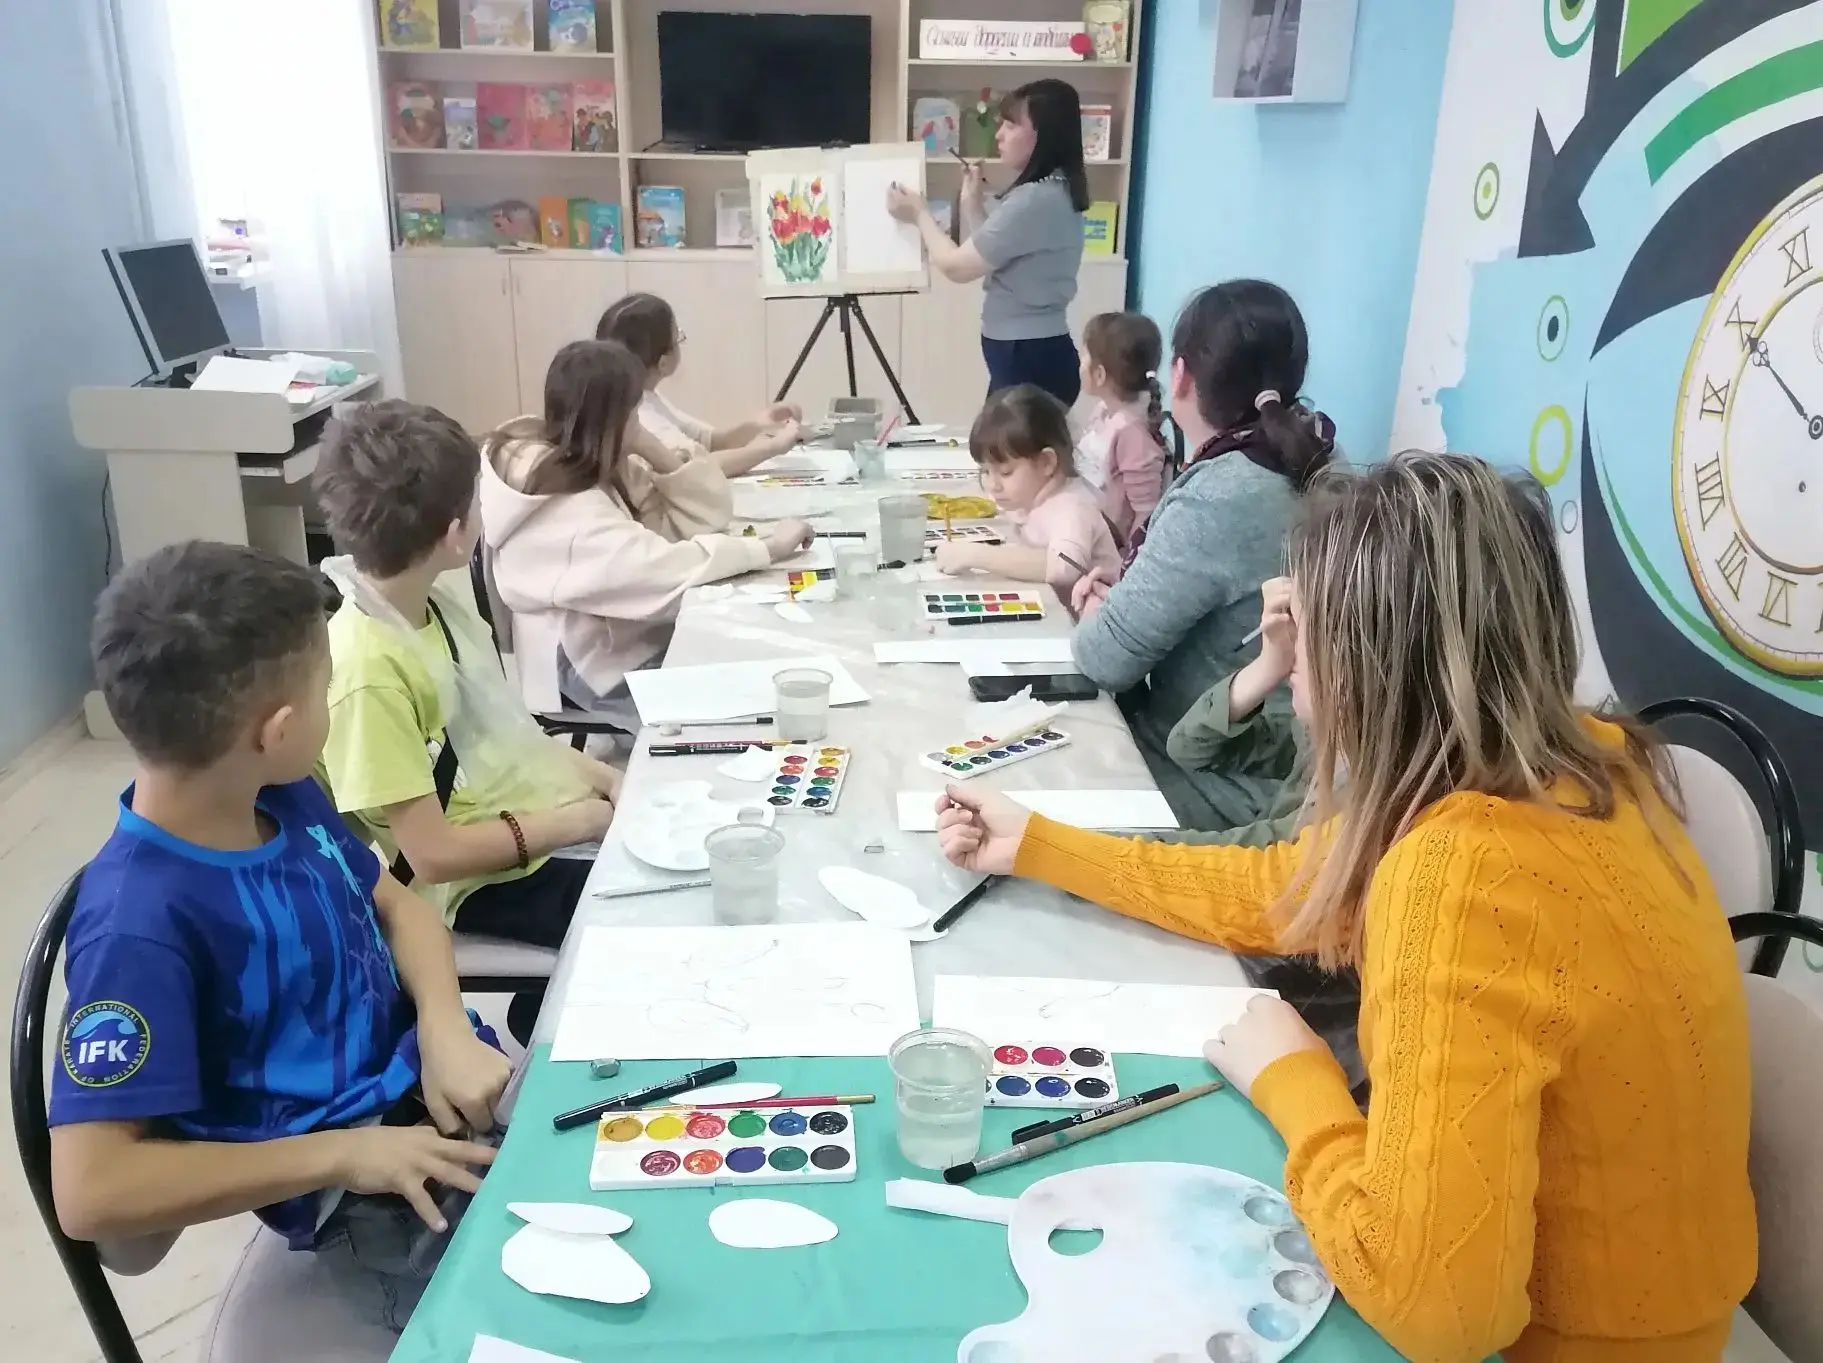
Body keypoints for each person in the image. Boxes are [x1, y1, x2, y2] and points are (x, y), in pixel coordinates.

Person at [938, 454, 1755, 1363]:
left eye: (1305, 631)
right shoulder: (1586, 764)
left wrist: (1296, 1081)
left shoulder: (1461, 871)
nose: (1289, 665)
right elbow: (1276, 889)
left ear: (1368, 664)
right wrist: (1039, 844)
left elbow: (1441, 1311)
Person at [51, 541, 506, 1334]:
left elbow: (401, 909)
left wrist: (442, 1027)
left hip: (438, 1099)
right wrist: (346, 1154)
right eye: (327, 688)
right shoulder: (136, 927)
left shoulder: (279, 793)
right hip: (372, 1192)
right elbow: (92, 1193)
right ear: (280, 728)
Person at [314, 399, 623, 1043]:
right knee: (651, 916)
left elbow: (510, 735)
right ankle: (560, 1031)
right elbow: (432, 856)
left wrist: (613, 780)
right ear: (456, 534)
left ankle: (551, 1010)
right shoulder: (369, 669)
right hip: (472, 885)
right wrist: (583, 820)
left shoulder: (433, 607)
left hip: (517, 830)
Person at [1071, 279, 1334, 829]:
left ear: (1181, 375)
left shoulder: (1224, 493)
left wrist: (1102, 613)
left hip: (1222, 773)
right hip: (1270, 758)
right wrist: (1129, 598)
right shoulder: (1320, 461)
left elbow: (1103, 660)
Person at [480, 338, 812, 724]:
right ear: (613, 418)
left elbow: (702, 519)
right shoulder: (567, 505)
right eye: (635, 412)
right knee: (744, 703)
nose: (641, 422)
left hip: (617, 633)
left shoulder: (590, 459)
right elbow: (659, 569)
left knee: (749, 654)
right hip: (585, 661)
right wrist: (768, 549)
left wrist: (651, 448)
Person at [886, 80, 1089, 404]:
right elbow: (994, 255)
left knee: (1003, 438)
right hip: (1034, 352)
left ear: (1043, 133)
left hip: (1027, 357)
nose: (999, 136)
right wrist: (971, 203)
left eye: (1010, 125)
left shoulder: (1034, 200)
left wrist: (919, 213)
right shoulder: (1053, 190)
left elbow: (957, 267)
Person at [934, 383, 1120, 604]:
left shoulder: (1073, 507)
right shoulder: (1033, 496)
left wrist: (975, 555)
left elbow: (1064, 566)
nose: (993, 485)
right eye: (986, 471)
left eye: (1005, 472)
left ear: (1046, 463)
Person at [595, 292, 802, 476]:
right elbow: (694, 470)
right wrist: (770, 447)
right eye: (678, 338)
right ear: (663, 363)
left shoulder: (646, 395)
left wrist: (759, 425)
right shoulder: (638, 414)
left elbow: (709, 441)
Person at [1076, 311, 1170, 544]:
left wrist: (1128, 561)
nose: (1079, 364)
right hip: (1086, 528)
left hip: (1108, 549)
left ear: (1099, 374)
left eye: (1083, 357)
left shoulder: (1130, 433)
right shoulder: (1104, 411)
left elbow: (1146, 514)